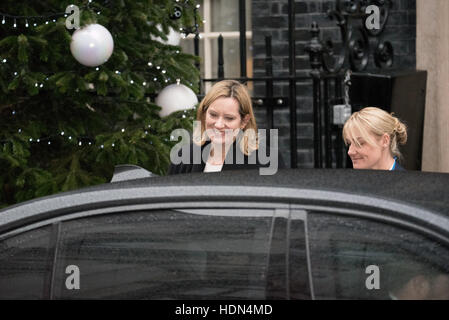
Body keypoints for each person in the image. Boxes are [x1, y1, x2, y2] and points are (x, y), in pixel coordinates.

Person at [167, 80, 281, 175]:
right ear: (204, 114)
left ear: (244, 121)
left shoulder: (266, 160)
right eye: (213, 115)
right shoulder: (184, 156)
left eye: (229, 118)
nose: (219, 125)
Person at [342, 107, 407, 170]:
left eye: (360, 143)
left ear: (385, 141)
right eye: (349, 143)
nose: (350, 152)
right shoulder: (348, 180)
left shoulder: (407, 180)